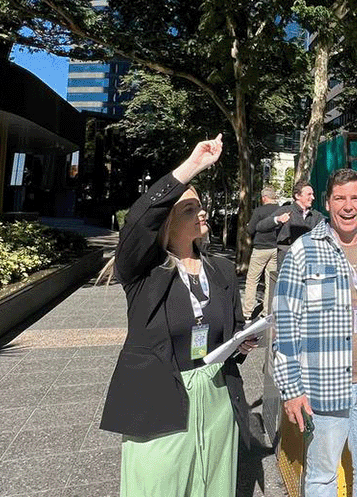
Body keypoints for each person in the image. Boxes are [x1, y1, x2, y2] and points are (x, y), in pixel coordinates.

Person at [98, 134, 256, 496]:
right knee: (159, 483)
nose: (200, 212)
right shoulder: (143, 272)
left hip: (217, 395)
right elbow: (139, 220)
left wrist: (242, 343)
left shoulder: (221, 270)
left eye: (200, 206)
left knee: (215, 485)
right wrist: (191, 167)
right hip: (160, 397)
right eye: (188, 208)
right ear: (166, 222)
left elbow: (230, 330)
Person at [272, 168, 357, 497]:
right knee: (321, 475)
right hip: (325, 388)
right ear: (327, 203)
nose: (347, 206)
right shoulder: (304, 251)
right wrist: (291, 388)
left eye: (355, 198)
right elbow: (285, 322)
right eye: (339, 198)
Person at [244, 186, 281, 316]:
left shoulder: (259, 211)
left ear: (264, 198)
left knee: (252, 280)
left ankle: (247, 312)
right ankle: (266, 311)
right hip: (275, 249)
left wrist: (248, 226)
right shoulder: (280, 210)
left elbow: (250, 230)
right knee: (270, 281)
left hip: (260, 249)